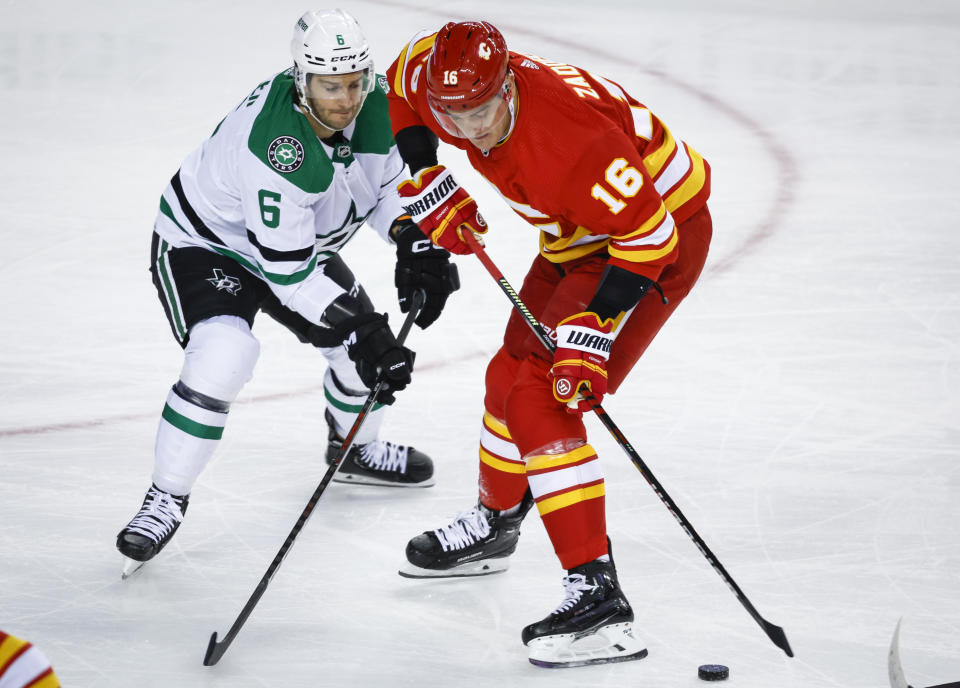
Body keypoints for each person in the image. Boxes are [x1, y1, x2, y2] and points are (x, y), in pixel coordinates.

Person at [385, 21, 712, 667]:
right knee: (506, 375)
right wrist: (429, 173)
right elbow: (400, 87)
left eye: (481, 109)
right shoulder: (441, 84)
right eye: (453, 112)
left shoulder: (570, 138)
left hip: (648, 245)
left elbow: (650, 237)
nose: (469, 127)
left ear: (507, 85)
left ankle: (598, 598)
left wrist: (595, 325)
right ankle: (496, 525)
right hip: (576, 237)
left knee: (543, 393)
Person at [115, 9, 458, 577]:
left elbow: (388, 185)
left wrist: (413, 241)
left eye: (355, 82)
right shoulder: (277, 147)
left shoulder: (378, 105)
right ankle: (166, 497)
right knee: (224, 354)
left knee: (359, 359)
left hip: (292, 246)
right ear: (302, 82)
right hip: (208, 246)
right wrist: (364, 327)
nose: (347, 99)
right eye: (330, 86)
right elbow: (290, 276)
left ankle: (353, 449)